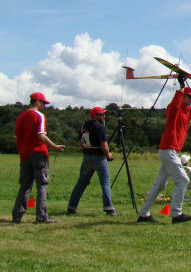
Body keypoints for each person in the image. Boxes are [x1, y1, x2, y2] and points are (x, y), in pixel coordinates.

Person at [137, 78, 191, 224]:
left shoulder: (187, 112)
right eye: (189, 96)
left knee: (159, 185)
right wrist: (180, 88)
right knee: (183, 180)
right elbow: (175, 105)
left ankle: (143, 214)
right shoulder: (173, 109)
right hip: (168, 150)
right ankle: (176, 214)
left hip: (170, 152)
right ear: (182, 96)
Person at [11, 92, 65, 224]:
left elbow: (17, 137)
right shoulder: (39, 116)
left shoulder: (20, 116)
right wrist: (55, 146)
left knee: (24, 186)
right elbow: (41, 136)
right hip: (38, 153)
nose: (44, 106)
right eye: (43, 103)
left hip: (24, 155)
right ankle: (41, 216)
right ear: (37, 102)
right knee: (42, 184)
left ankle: (17, 215)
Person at [67, 107, 119, 216]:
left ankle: (72, 207)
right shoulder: (100, 127)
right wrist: (108, 155)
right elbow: (104, 145)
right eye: (100, 114)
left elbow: (80, 142)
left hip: (87, 157)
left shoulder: (84, 126)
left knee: (81, 183)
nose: (103, 116)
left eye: (103, 114)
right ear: (94, 116)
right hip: (99, 158)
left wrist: (86, 149)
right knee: (105, 183)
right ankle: (109, 208)